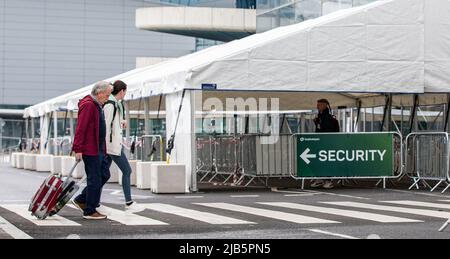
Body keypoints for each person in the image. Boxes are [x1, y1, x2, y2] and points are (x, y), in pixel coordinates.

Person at [71, 81, 112, 220]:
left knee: (104, 175)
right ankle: (90, 210)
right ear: (99, 93)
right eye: (106, 95)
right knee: (94, 179)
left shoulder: (96, 105)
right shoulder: (89, 105)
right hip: (91, 149)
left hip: (98, 149)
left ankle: (82, 199)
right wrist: (78, 149)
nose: (108, 98)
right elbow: (80, 128)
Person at [103, 80, 143, 212]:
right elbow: (106, 126)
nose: (125, 94)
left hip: (112, 145)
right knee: (127, 171)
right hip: (111, 146)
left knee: (102, 175)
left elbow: (112, 123)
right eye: (125, 91)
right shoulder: (111, 105)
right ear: (122, 91)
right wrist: (105, 146)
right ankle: (129, 202)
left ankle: (87, 199)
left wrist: (122, 121)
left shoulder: (116, 104)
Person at [311, 99, 340, 189]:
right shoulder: (321, 116)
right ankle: (321, 178)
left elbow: (327, 130)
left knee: (326, 161)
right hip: (321, 142)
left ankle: (328, 180)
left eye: (319, 105)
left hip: (327, 143)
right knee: (320, 161)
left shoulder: (327, 117)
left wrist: (318, 124)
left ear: (324, 105)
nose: (317, 107)